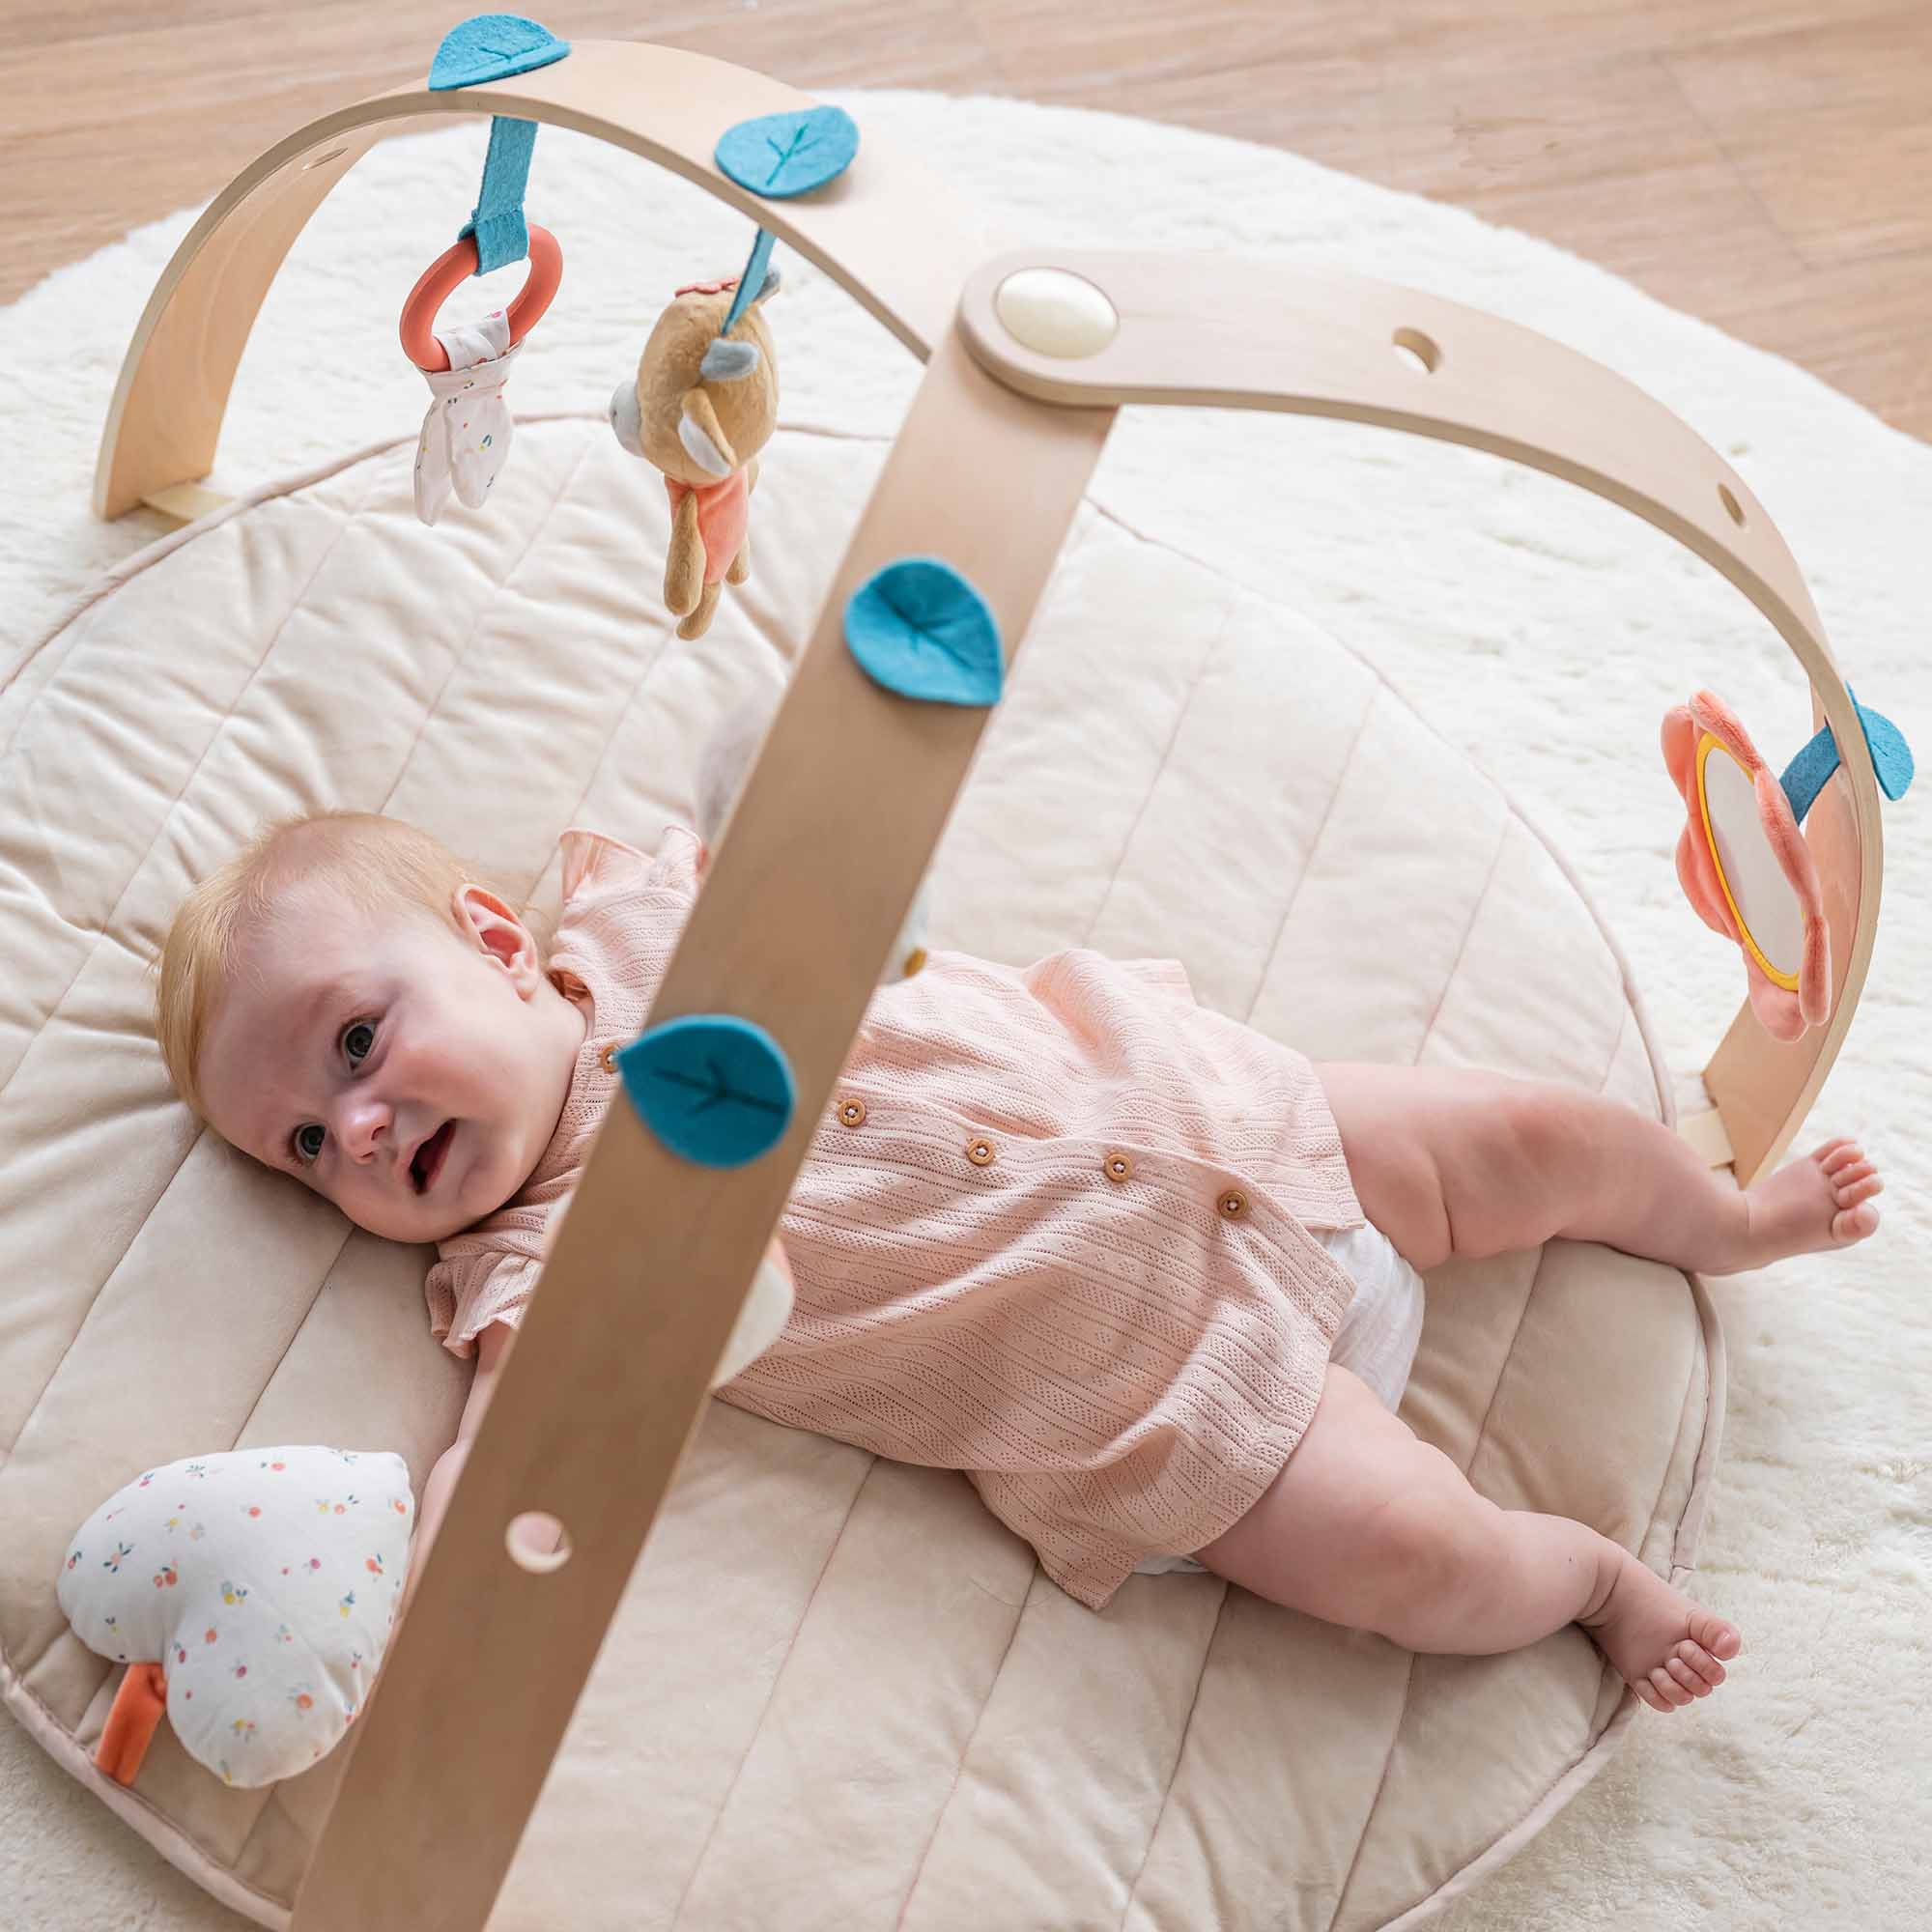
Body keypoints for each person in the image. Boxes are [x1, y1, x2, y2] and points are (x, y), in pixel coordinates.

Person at [154, 784, 1881, 1716]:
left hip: (1227, 1115)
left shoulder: (640, 915)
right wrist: (437, 1584)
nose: (359, 1133)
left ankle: (1718, 1217)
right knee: (1420, 1565)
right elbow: (515, 1455)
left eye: (358, 1046)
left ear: (493, 938)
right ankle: (1584, 1576)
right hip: (1168, 1401)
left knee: (1532, 1135)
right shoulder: (537, 1265)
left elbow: (813, 811)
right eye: (307, 1149)